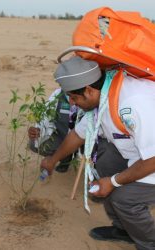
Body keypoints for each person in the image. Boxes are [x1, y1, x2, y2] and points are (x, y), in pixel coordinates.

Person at [40, 56, 155, 249]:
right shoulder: (104, 95)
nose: (73, 103)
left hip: (151, 158)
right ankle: (125, 229)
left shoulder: (132, 103)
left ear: (89, 90)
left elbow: (152, 160)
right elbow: (78, 134)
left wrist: (113, 182)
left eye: (74, 98)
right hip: (141, 153)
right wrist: (53, 160)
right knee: (104, 164)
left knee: (125, 199)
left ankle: (149, 242)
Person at [28, 88, 77, 173]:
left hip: (84, 140)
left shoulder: (89, 95)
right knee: (34, 144)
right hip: (63, 138)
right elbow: (46, 118)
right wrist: (38, 130)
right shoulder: (58, 95)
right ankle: (66, 158)